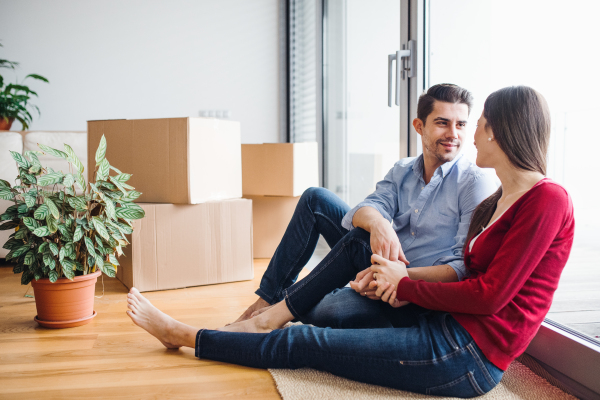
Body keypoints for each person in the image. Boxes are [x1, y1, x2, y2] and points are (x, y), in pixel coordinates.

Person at [126, 85, 574, 398]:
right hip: (433, 316)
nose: (467, 133)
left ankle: (185, 335)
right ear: (420, 126)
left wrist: (401, 282)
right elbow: (470, 271)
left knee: (307, 339)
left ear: (497, 130)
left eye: (475, 124)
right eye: (448, 122)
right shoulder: (500, 198)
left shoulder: (544, 199)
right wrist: (386, 261)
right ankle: (266, 308)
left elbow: (489, 294)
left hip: (465, 356)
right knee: (333, 233)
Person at [232, 83, 497, 329]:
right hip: (380, 264)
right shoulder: (402, 169)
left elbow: (462, 267)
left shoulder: (474, 183)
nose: (453, 134)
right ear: (419, 126)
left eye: (461, 124)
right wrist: (380, 223)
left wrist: (396, 276)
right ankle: (268, 301)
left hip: (414, 293)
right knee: (318, 200)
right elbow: (366, 208)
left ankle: (288, 304)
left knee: (325, 310)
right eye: (442, 123)